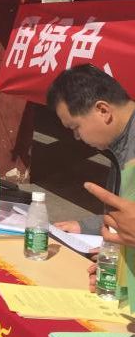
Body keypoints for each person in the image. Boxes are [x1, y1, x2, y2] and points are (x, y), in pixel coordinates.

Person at [47, 65, 135, 236]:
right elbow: (126, 217)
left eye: (75, 127)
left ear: (103, 110)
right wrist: (84, 227)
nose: (77, 136)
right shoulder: (119, 143)